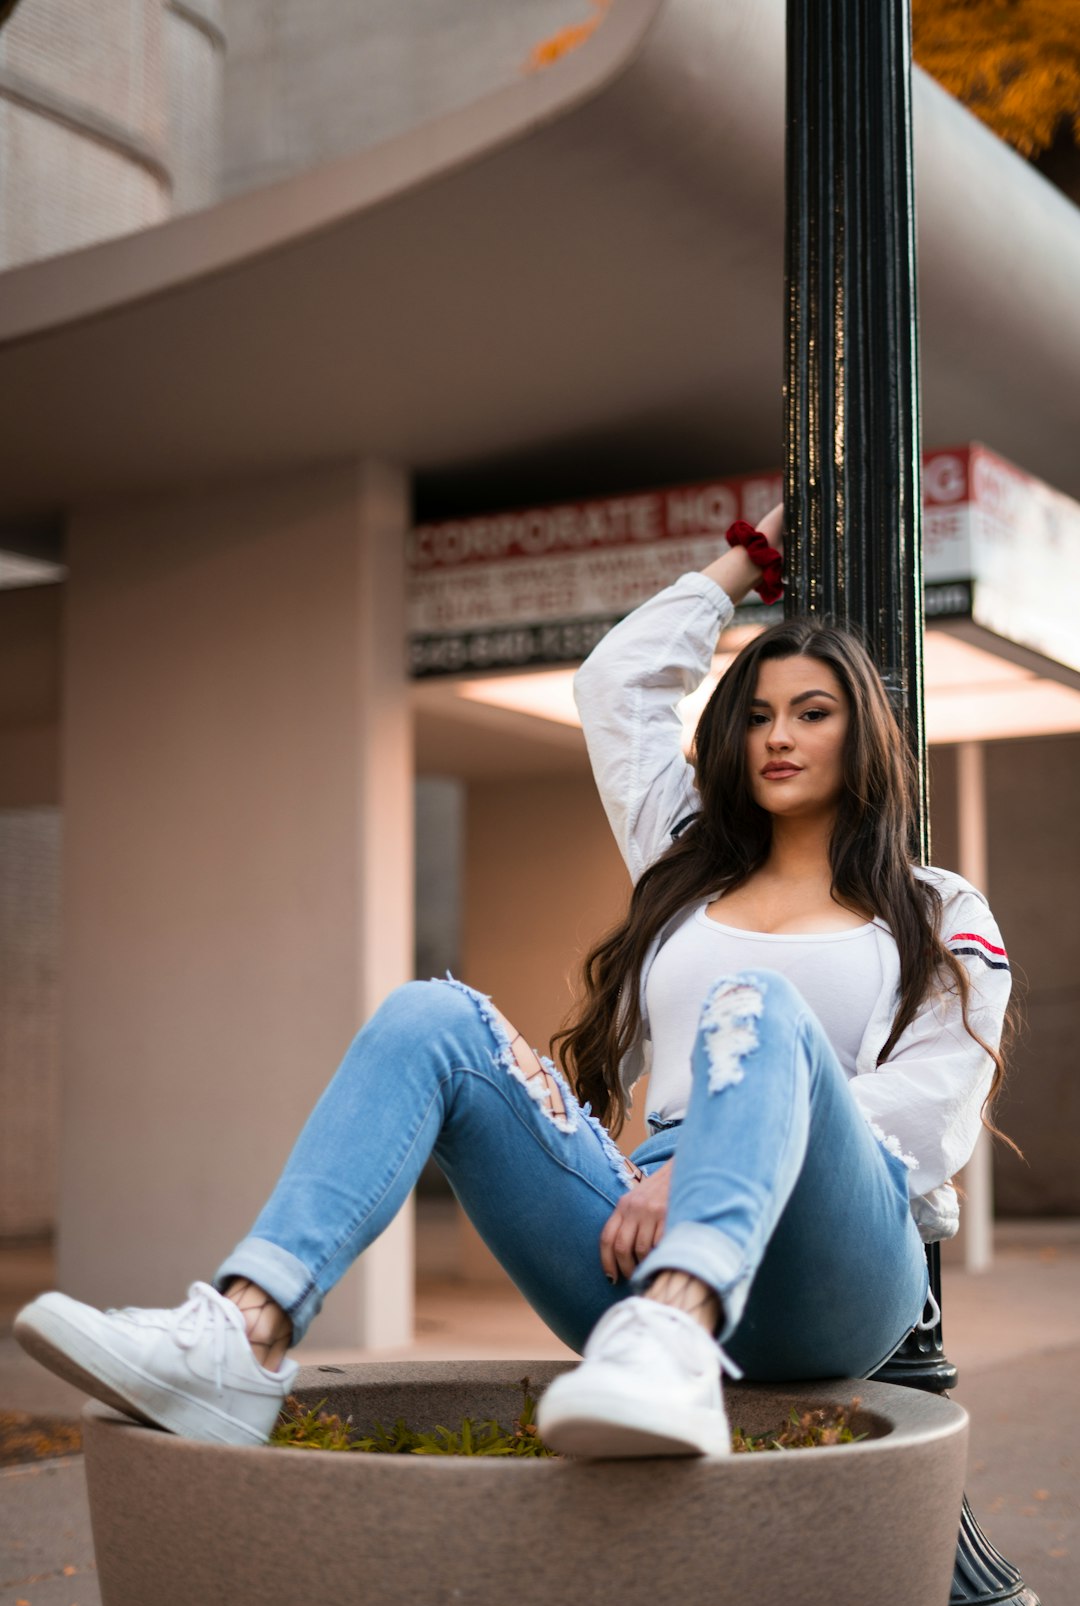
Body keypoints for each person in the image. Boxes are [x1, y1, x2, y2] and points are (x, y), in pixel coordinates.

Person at [15, 507, 1013, 1459]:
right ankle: (248, 1329)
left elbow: (932, 1110)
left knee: (755, 1001)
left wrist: (700, 1170)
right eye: (756, 715)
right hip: (638, 1230)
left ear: (863, 733)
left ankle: (674, 1337)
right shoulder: (687, 855)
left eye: (811, 712)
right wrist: (744, 563)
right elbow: (616, 684)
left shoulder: (936, 909)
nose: (778, 737)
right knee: (431, 1013)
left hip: (834, 1263)